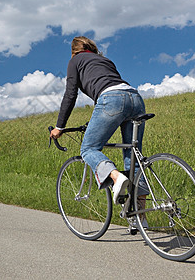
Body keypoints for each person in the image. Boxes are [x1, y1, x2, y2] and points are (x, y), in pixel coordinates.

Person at [50, 36, 149, 205]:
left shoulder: (75, 61)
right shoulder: (105, 60)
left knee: (88, 149)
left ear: (74, 51)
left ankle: (117, 177)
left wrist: (60, 126)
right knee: (134, 156)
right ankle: (140, 217)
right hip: (135, 98)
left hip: (112, 99)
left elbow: (70, 94)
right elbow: (110, 86)